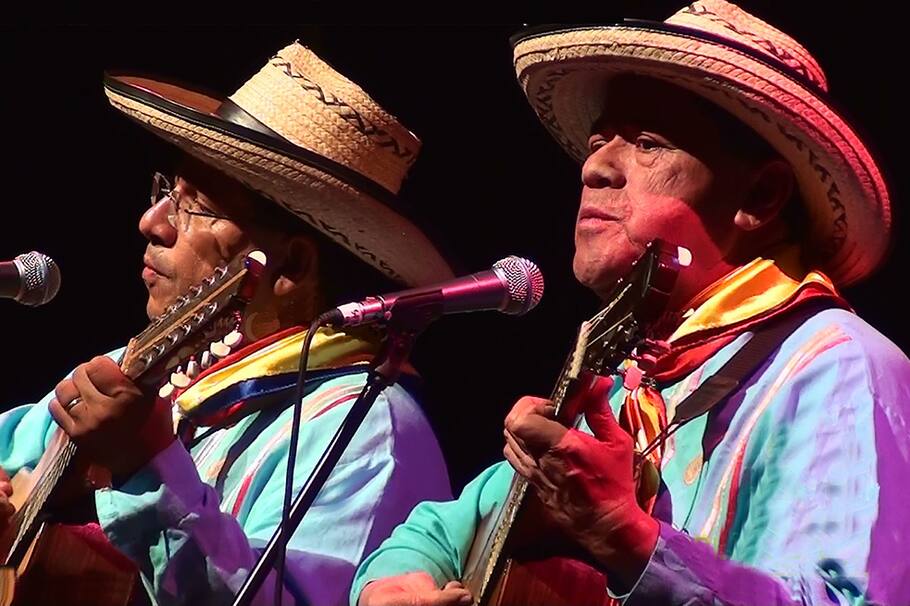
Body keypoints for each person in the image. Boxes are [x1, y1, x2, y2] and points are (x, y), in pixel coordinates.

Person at [352, 2, 910, 605]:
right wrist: (392, 585)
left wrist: (622, 534)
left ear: (760, 195)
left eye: (647, 143)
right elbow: (434, 530)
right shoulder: (628, 385)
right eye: (598, 142)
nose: (594, 167)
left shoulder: (836, 363)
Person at [0, 42, 453, 606]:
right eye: (167, 192)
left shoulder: (365, 430)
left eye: (197, 207)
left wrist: (146, 464)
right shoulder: (132, 372)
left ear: (290, 266)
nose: (151, 222)